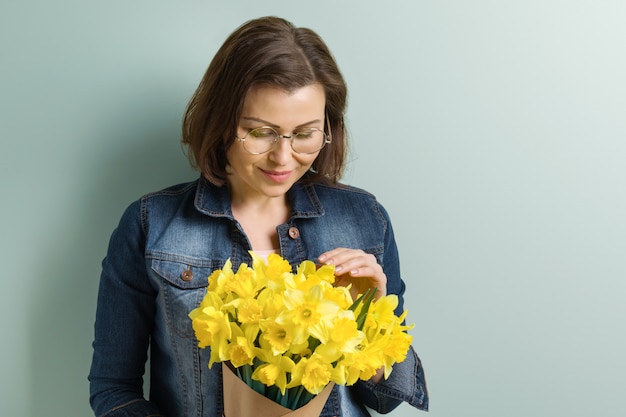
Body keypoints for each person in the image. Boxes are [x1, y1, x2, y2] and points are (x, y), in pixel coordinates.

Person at [88, 16, 428, 417]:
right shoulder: (151, 225)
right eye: (261, 132)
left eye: (305, 134)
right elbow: (114, 388)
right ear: (221, 123)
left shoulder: (365, 219)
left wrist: (372, 315)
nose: (283, 158)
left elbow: (386, 399)